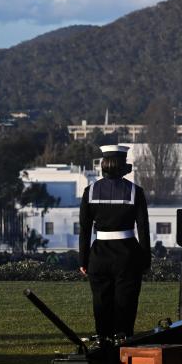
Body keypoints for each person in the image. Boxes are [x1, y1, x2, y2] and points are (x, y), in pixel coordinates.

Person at [78, 145, 151, 345]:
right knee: (125, 303)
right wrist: (146, 260)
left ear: (103, 164)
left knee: (101, 302)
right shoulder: (135, 191)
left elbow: (84, 230)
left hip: (99, 254)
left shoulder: (90, 191)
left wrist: (83, 260)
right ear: (122, 165)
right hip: (127, 254)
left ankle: (103, 341)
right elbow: (143, 228)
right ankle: (124, 341)